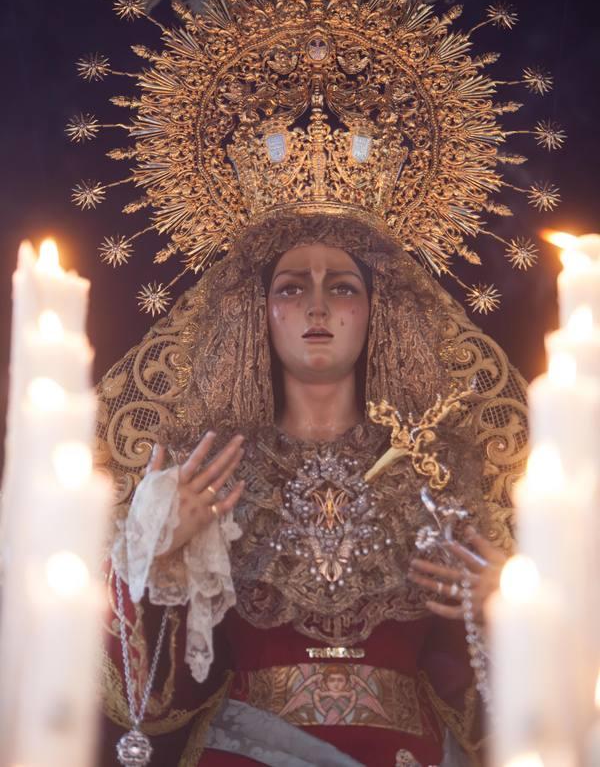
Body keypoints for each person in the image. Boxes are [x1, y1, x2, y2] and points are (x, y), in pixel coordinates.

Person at [100, 214, 517, 767]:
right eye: (291, 288)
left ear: (375, 309)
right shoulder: (211, 476)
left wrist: (505, 611)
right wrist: (154, 552)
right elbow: (151, 701)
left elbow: (469, 695)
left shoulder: (435, 475)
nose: (316, 308)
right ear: (261, 313)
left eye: (342, 287)